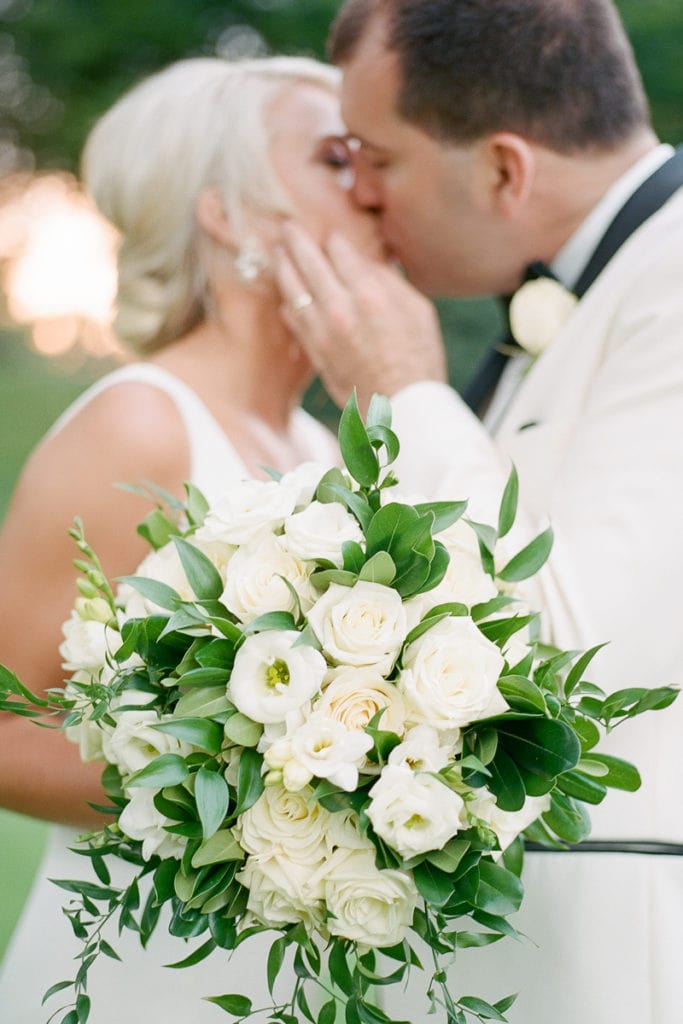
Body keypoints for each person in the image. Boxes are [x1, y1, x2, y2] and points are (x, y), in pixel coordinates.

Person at [273, 2, 683, 1022]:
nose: (359, 193)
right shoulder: (604, 278)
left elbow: (568, 646)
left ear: (504, 168)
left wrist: (401, 390)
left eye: (375, 156)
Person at [0, 54, 384, 1022]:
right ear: (227, 212)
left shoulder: (320, 443)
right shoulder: (137, 426)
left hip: (287, 972)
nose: (375, 183)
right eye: (336, 159)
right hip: (143, 972)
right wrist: (241, 778)